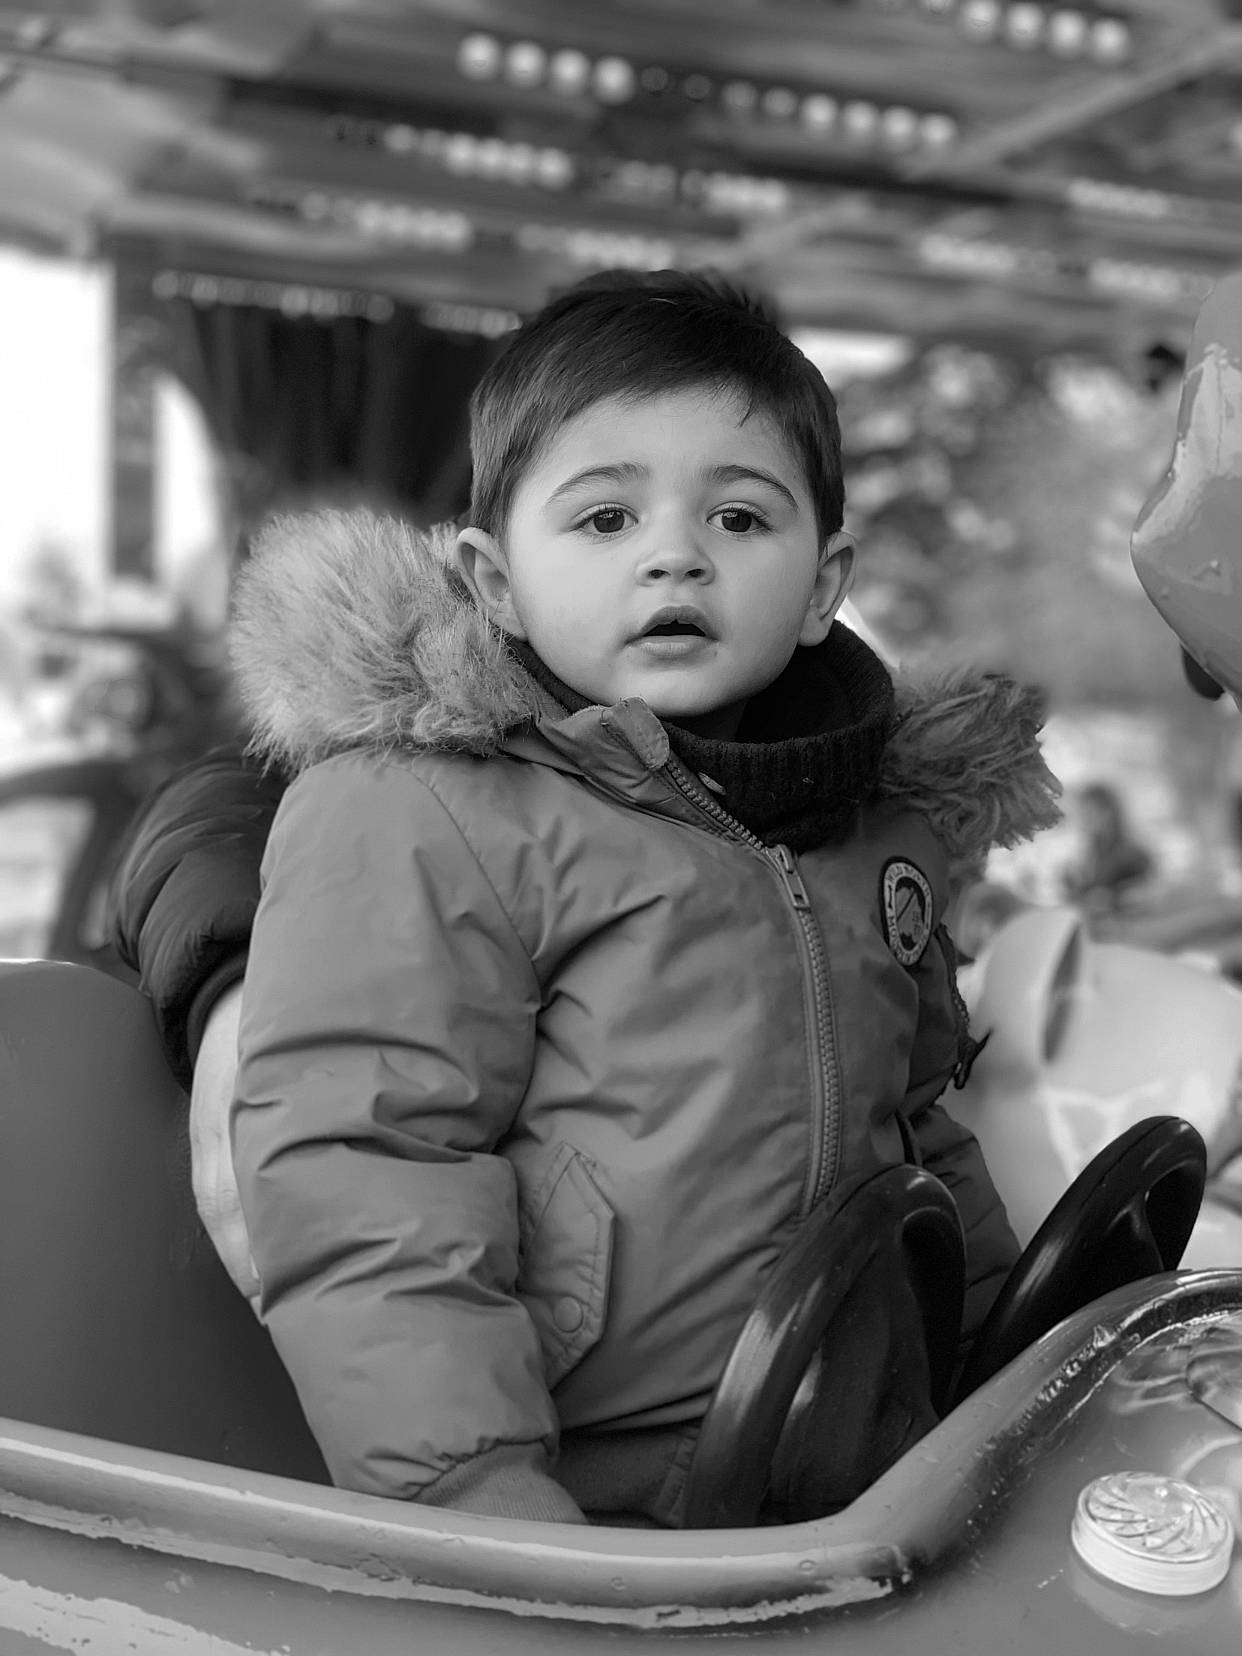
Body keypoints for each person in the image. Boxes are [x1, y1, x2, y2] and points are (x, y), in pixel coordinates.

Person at [110, 270, 1061, 1527]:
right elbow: (371, 1161)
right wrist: (472, 1481)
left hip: (855, 1463)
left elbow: (921, 1132)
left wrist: (1011, 1350)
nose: (675, 553)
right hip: (588, 1495)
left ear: (827, 583)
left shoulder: (876, 834)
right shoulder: (424, 810)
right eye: (606, 520)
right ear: (492, 583)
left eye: (738, 518)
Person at [1059, 779, 1154, 918]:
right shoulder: (1093, 854)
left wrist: (1113, 899)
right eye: (1082, 813)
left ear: (1108, 813)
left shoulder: (1131, 853)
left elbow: (1147, 894)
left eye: (1089, 812)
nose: (1084, 819)